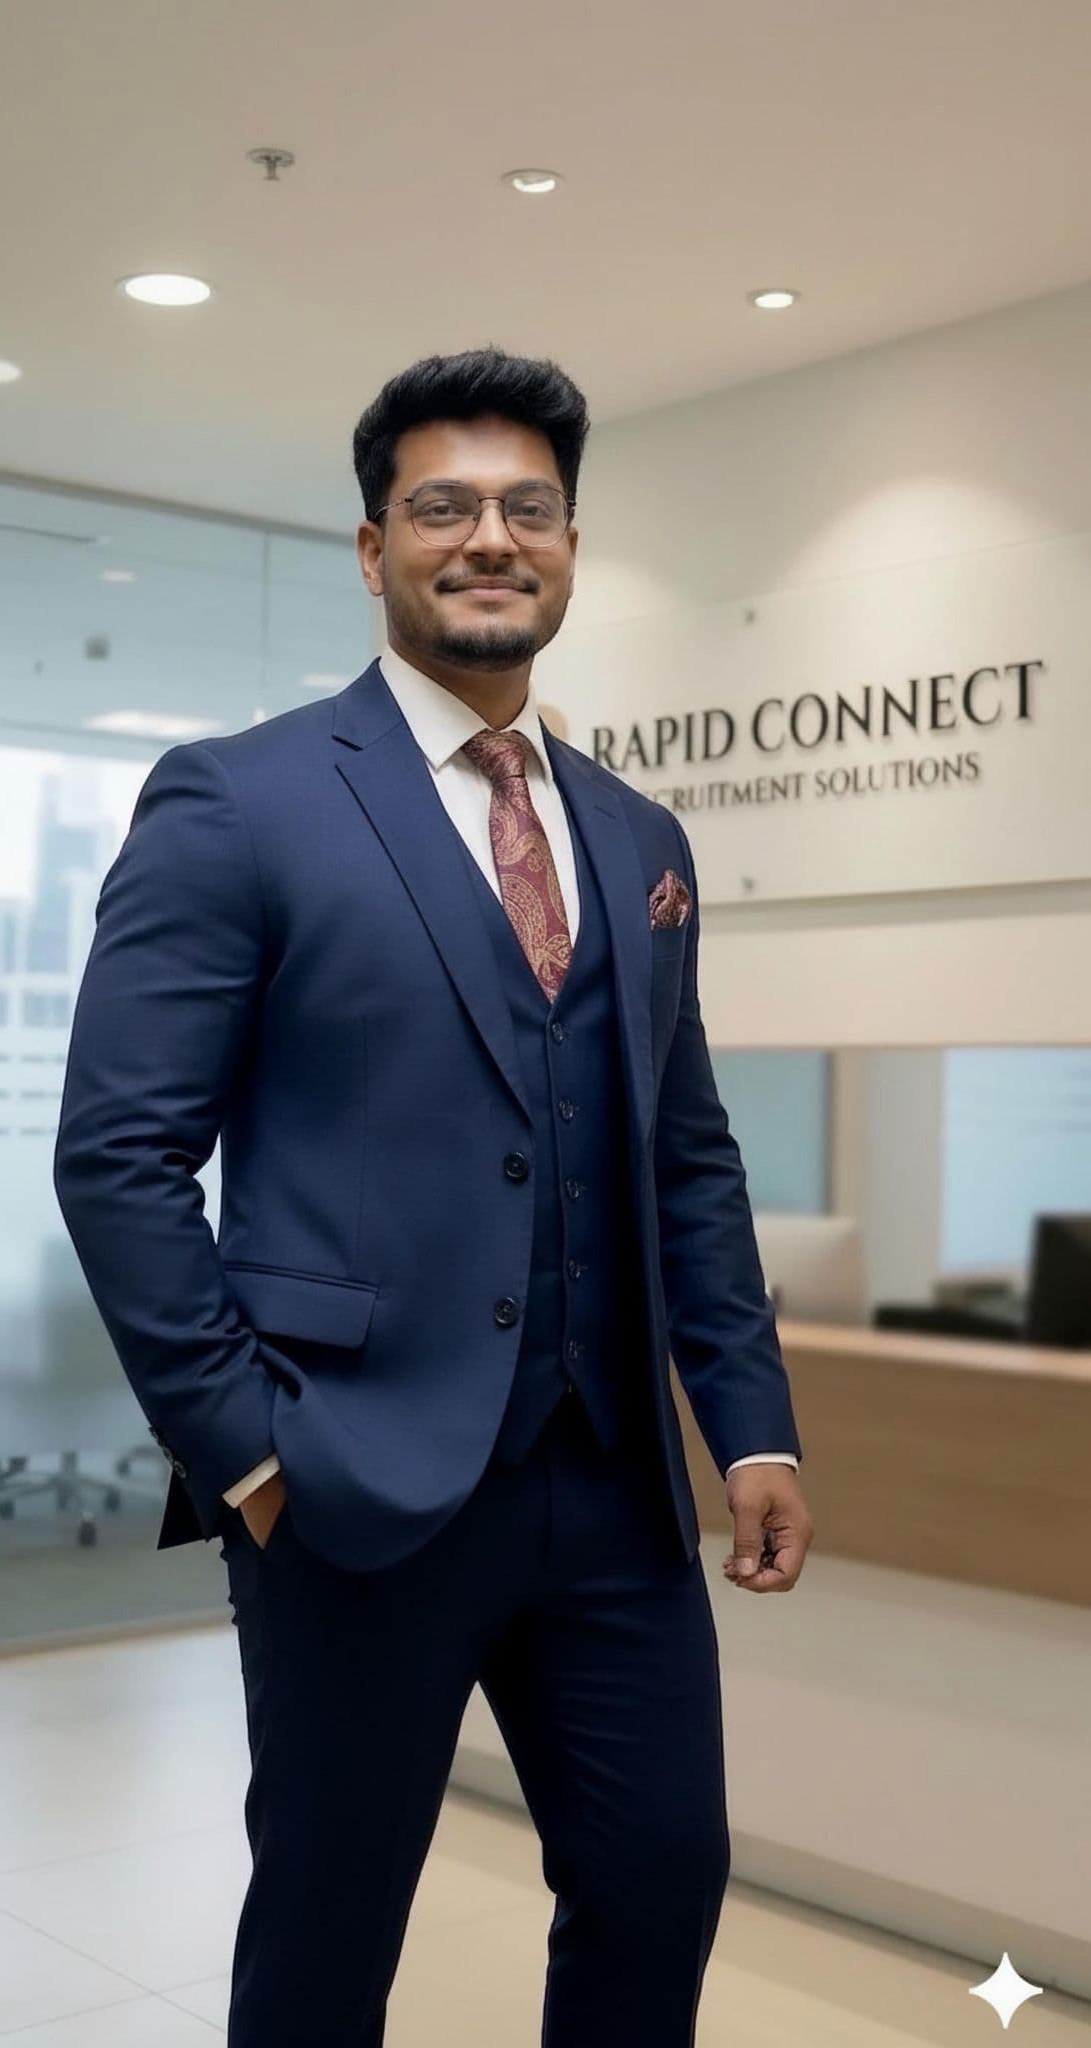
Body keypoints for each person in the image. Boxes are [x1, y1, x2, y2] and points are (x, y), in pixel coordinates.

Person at [53, 345, 812, 2045]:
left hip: (611, 1494)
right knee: (327, 1934)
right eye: (444, 505)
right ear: (371, 543)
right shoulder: (238, 799)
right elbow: (117, 1152)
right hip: (344, 1483)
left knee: (654, 1888)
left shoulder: (636, 836)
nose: (490, 536)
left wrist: (746, 1426)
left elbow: (683, 1151)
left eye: (526, 508)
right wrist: (243, 1451)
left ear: (567, 545)